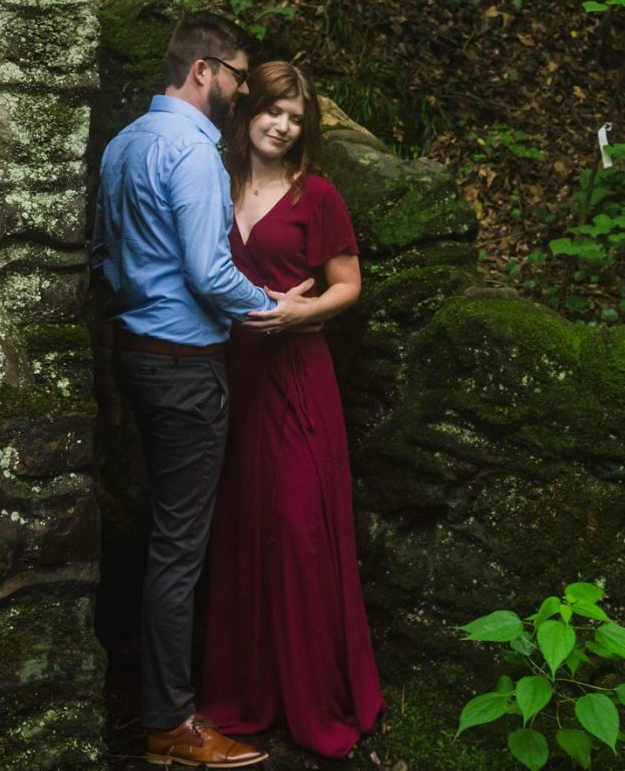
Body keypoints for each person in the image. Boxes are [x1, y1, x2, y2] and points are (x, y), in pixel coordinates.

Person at [92, 12, 312, 769]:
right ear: (202, 72)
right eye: (239, 75)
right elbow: (206, 271)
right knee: (179, 548)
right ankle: (170, 724)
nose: (244, 90)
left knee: (165, 537)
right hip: (185, 367)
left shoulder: (125, 143)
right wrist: (274, 307)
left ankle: (161, 705)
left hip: (136, 358)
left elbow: (102, 255)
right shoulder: (192, 151)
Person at [197, 61, 385, 758]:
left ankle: (318, 695)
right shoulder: (214, 183)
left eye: (295, 118)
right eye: (274, 110)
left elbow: (349, 284)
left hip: (298, 377)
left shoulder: (319, 195)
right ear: (248, 110)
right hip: (233, 377)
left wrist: (302, 314)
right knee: (243, 528)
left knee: (298, 525)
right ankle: (251, 690)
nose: (281, 125)